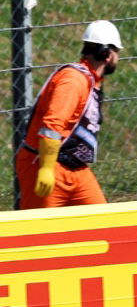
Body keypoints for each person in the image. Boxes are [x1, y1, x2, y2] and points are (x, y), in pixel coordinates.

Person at [14, 20, 121, 209]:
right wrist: (47, 168)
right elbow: (52, 126)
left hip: (76, 168)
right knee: (41, 226)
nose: (118, 58)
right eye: (117, 52)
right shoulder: (73, 80)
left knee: (104, 221)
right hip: (46, 163)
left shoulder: (91, 81)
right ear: (106, 54)